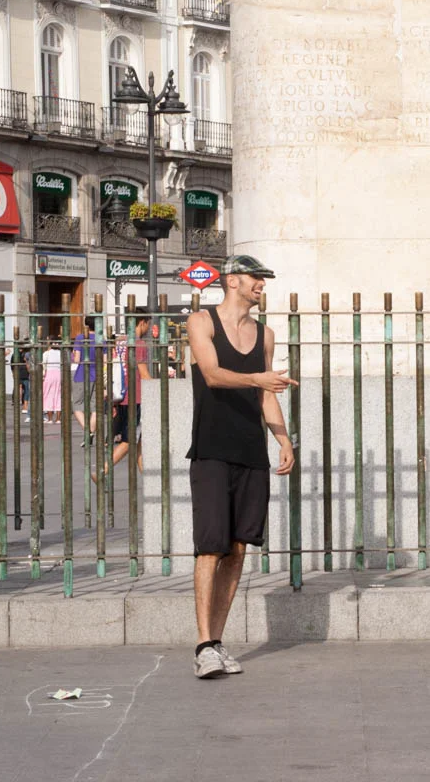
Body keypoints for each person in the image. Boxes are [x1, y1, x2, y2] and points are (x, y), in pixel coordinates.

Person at [185, 255, 296, 679]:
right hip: (211, 449)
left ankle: (216, 642)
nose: (261, 285)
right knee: (209, 547)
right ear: (232, 281)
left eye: (264, 279)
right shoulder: (202, 322)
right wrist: (259, 380)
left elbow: (267, 395)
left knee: (237, 549)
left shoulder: (265, 334)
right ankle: (202, 645)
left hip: (251, 452)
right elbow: (212, 375)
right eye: (256, 278)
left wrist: (283, 440)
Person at [100, 316, 152, 480]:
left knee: (139, 443)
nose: (148, 328)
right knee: (130, 440)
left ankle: (149, 480)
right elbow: (143, 373)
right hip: (136, 397)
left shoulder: (120, 343)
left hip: (122, 396)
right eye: (148, 324)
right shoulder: (139, 344)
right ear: (142, 322)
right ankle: (103, 471)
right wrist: (159, 390)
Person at [70, 317, 101, 435]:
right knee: (95, 406)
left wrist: (74, 354)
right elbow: (104, 360)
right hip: (97, 374)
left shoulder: (80, 338)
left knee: (77, 404)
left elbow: (77, 359)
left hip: (82, 374)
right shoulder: (101, 339)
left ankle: (87, 430)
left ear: (86, 325)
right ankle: (91, 431)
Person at [40, 340, 63, 423]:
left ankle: (50, 419)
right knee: (58, 395)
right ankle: (58, 419)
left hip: (49, 374)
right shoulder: (61, 353)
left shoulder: (46, 353)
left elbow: (43, 365)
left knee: (48, 395)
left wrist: (43, 375)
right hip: (59, 374)